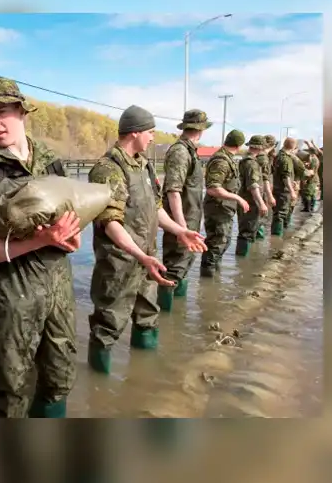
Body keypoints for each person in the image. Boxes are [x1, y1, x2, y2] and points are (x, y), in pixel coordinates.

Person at [0, 78, 80, 418]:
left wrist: (72, 235)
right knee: (8, 393)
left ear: (22, 112)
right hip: (8, 300)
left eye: (2, 112)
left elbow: (73, 216)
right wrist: (41, 239)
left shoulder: (50, 160)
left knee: (59, 378)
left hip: (58, 293)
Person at [87, 106, 206, 372]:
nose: (153, 138)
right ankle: (100, 387)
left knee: (148, 318)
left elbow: (156, 207)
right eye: (150, 132)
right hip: (118, 263)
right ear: (135, 132)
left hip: (147, 259)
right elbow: (110, 223)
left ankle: (145, 381)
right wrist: (140, 255)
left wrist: (179, 230)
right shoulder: (108, 169)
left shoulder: (144, 164)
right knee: (108, 325)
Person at [156, 109, 211, 312]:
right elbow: (173, 191)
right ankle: (165, 320)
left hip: (190, 221)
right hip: (182, 222)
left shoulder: (190, 151)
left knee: (184, 266)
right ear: (201, 130)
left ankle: (176, 319)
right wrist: (181, 229)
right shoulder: (180, 152)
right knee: (173, 270)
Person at [200, 130, 250, 277]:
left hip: (224, 209)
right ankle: (208, 284)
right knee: (216, 245)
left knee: (223, 243)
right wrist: (238, 198)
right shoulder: (221, 161)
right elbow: (213, 188)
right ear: (239, 145)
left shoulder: (228, 158)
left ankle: (214, 283)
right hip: (217, 209)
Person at [235, 136, 270, 256]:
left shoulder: (245, 160)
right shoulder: (252, 163)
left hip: (244, 200)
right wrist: (261, 204)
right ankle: (244, 263)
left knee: (246, 230)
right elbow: (253, 186)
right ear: (260, 149)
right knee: (247, 232)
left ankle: (245, 261)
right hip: (250, 202)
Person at [271, 137, 300, 236]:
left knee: (278, 214)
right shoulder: (286, 159)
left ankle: (277, 238)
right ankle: (276, 239)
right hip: (283, 191)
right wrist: (292, 191)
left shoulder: (279, 155)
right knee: (280, 214)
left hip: (279, 189)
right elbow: (285, 177)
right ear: (294, 147)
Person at [256, 134, 277, 239]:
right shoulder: (263, 157)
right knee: (260, 219)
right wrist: (270, 195)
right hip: (260, 191)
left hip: (259, 190)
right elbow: (265, 178)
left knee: (258, 219)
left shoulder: (262, 156)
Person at [301, 141, 321, 212]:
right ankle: (310, 207)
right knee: (312, 193)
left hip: (312, 178)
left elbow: (312, 171)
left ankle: (307, 208)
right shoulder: (314, 158)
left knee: (308, 193)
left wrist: (306, 179)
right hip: (314, 178)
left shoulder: (313, 160)